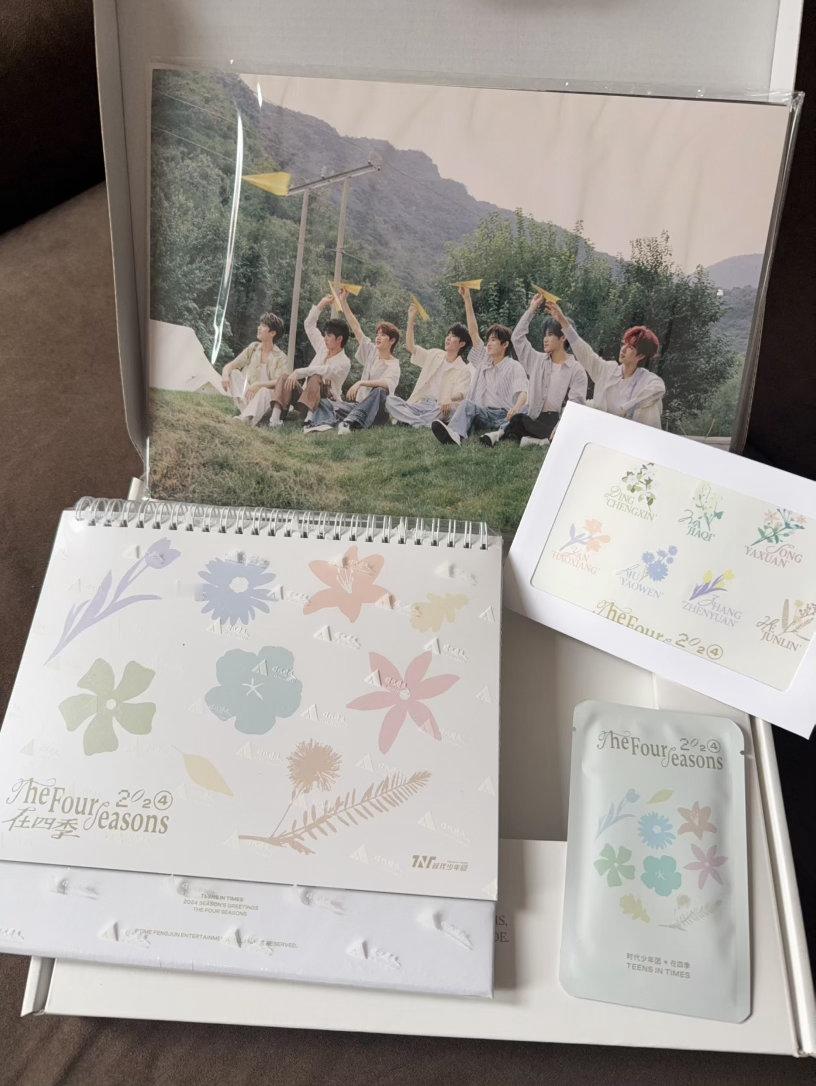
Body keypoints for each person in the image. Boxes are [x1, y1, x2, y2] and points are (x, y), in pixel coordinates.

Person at [480, 293, 587, 448]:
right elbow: (517, 338)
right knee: (518, 419)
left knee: (567, 429)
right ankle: (504, 435)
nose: (545, 339)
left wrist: (560, 428)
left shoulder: (576, 370)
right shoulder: (537, 360)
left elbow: (575, 407)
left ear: (563, 337)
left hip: (556, 421)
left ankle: (539, 440)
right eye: (545, 335)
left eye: (550, 335)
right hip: (533, 418)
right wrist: (531, 309)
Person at [431, 285, 527, 447]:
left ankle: (456, 433)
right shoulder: (484, 359)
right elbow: (473, 332)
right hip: (481, 413)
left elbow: (524, 392)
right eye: (488, 340)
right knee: (459, 406)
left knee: (466, 406)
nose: (488, 343)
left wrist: (516, 408)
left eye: (493, 340)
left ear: (505, 344)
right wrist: (467, 298)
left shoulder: (514, 366)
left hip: (502, 415)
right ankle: (452, 433)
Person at [545, 299, 664, 427]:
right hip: (600, 428)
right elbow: (585, 353)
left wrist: (626, 408)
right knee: (575, 407)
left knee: (652, 403)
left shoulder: (647, 380)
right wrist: (562, 320)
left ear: (640, 356)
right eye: (623, 344)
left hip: (628, 432)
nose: (623, 349)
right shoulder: (608, 370)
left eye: (630, 347)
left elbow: (659, 389)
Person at [305, 291, 401, 434]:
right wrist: (344, 302)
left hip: (378, 412)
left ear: (392, 340)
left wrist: (361, 383)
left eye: (383, 335)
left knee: (380, 391)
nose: (378, 337)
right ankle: (322, 423)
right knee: (326, 402)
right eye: (378, 334)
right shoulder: (372, 351)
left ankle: (348, 422)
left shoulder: (394, 364)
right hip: (358, 406)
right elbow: (356, 328)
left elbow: (387, 384)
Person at [267, 295, 351, 428]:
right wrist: (322, 303)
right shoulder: (324, 346)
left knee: (316, 377)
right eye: (325, 335)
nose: (325, 338)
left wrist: (298, 372)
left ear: (339, 339)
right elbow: (309, 325)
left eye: (329, 336)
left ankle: (310, 420)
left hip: (325, 403)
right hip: (305, 398)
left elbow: (323, 371)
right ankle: (275, 419)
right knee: (284, 377)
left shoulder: (344, 362)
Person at [384, 302, 472, 428]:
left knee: (452, 410)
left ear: (462, 344)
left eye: (453, 336)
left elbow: (461, 393)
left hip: (438, 408)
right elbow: (411, 347)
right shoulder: (434, 354)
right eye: (448, 335)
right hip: (419, 404)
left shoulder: (463, 369)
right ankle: (420, 422)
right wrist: (411, 320)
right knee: (390, 400)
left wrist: (448, 398)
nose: (448, 338)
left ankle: (408, 419)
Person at [220, 312, 290, 425]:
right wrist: (224, 375)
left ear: (272, 333)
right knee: (233, 373)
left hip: (267, 401)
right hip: (250, 395)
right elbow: (231, 365)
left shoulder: (281, 357)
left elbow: (281, 382)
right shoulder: (253, 347)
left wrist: (259, 385)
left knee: (264, 391)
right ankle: (247, 415)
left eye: (263, 326)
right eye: (260, 324)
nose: (259, 328)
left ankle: (246, 418)